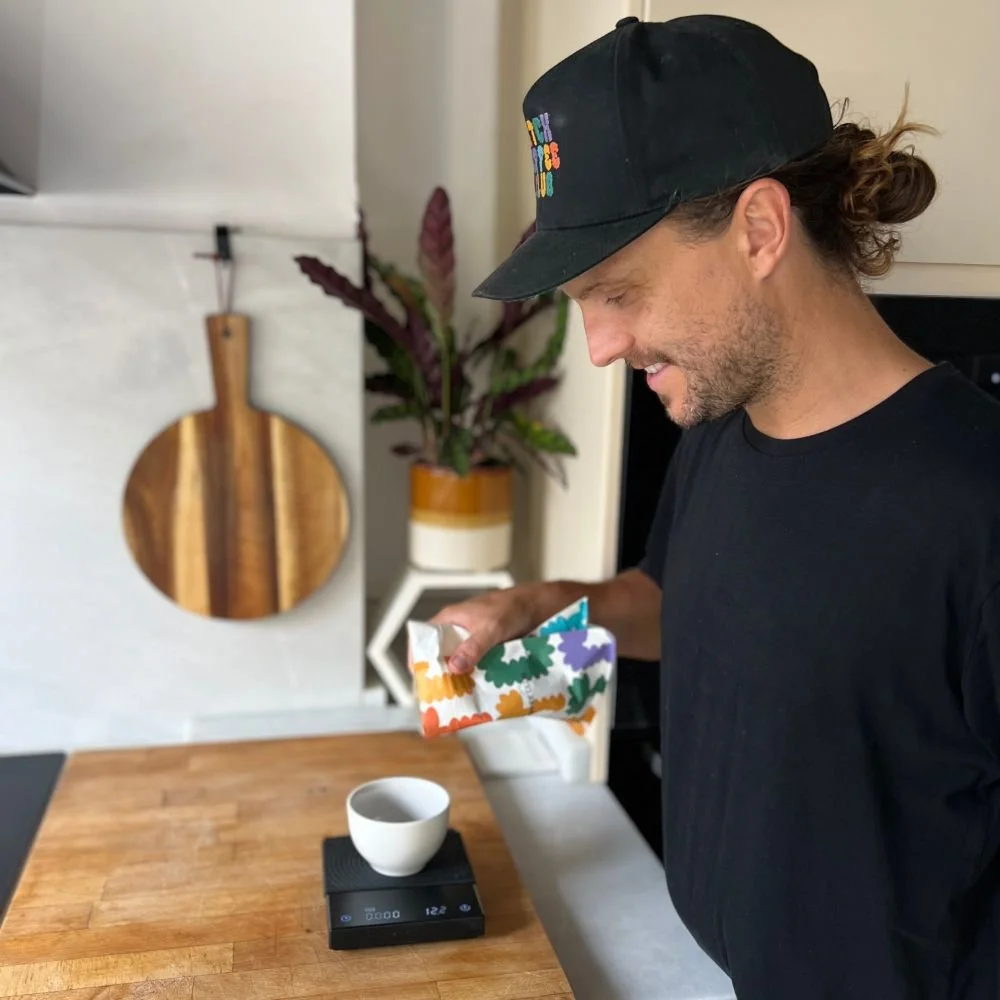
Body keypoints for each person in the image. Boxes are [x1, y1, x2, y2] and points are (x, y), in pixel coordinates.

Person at [428, 13, 1000, 1000]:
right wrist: (550, 605)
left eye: (618, 291)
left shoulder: (974, 501)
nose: (600, 345)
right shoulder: (719, 435)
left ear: (759, 229)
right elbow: (683, 599)